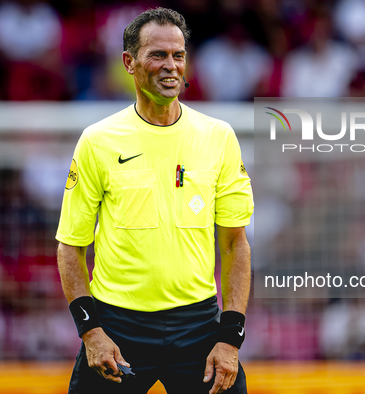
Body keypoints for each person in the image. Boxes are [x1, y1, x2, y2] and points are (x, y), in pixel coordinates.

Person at [55, 7, 253, 394]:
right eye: (157, 55)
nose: (170, 66)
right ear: (129, 62)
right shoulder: (98, 141)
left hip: (198, 326)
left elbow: (234, 243)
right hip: (117, 327)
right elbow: (70, 247)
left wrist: (230, 337)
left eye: (178, 55)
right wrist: (91, 332)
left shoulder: (219, 137)